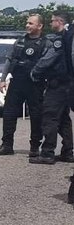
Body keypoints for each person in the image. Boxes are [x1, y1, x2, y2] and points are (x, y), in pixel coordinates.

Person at [0, 14, 48, 156]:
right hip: (17, 82)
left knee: (36, 116)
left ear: (39, 26)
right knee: (9, 114)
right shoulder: (20, 41)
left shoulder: (46, 43)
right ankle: (7, 145)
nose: (27, 25)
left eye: (31, 23)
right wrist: (3, 79)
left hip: (35, 84)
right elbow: (9, 60)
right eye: (27, 23)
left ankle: (35, 147)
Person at [30, 11, 74, 164]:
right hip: (67, 83)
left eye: (52, 21)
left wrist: (35, 71)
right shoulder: (69, 37)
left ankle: (47, 153)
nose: (50, 24)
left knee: (49, 117)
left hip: (57, 84)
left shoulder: (60, 40)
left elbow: (49, 59)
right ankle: (68, 152)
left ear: (59, 22)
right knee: (63, 119)